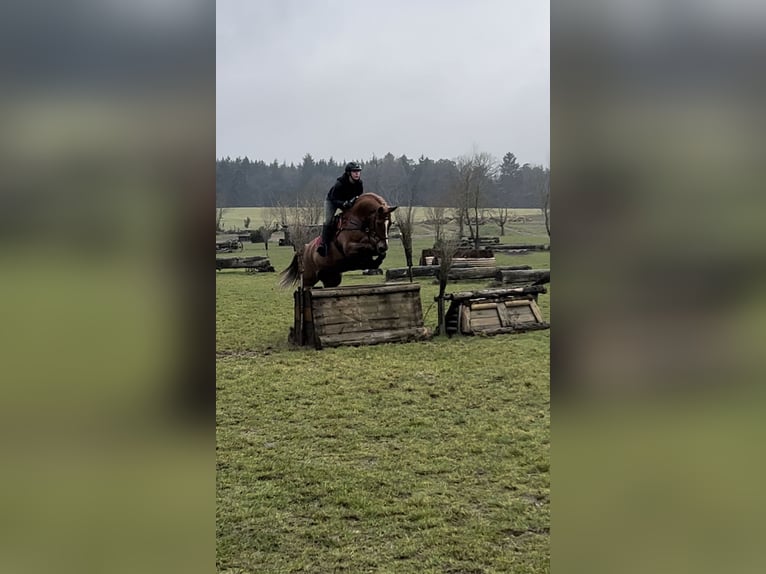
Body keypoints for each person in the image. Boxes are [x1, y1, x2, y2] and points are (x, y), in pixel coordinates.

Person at [317, 161, 364, 256]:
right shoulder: (340, 183)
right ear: (348, 173)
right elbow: (334, 199)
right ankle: (323, 244)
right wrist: (343, 203)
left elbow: (359, 197)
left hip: (347, 202)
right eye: (354, 171)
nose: (357, 174)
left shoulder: (359, 183)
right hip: (332, 201)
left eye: (358, 171)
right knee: (328, 221)